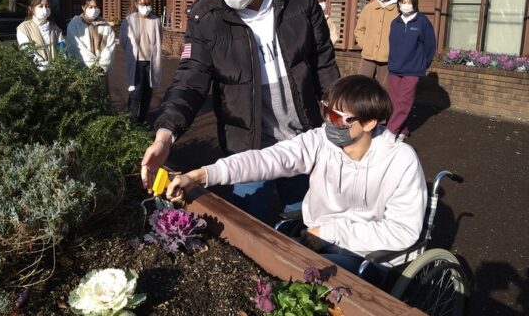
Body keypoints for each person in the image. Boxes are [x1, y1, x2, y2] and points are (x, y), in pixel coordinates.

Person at [141, 0, 340, 222]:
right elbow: (189, 78)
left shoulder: (300, 0)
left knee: (306, 219)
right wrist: (165, 135)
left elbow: (323, 61)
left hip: (303, 139)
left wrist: (341, 115)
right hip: (247, 144)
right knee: (248, 223)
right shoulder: (206, 17)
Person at [166, 75, 427, 282]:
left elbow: (403, 230)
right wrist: (203, 174)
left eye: (338, 118)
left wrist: (331, 232)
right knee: (265, 267)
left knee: (310, 281)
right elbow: (269, 159)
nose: (328, 122)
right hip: (315, 239)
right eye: (326, 111)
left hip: (368, 254)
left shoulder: (400, 160)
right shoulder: (320, 141)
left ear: (369, 122)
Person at [387, 0, 436, 142]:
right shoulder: (395, 22)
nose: (405, 5)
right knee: (394, 102)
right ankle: (403, 128)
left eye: (409, 2)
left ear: (415, 4)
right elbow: (392, 44)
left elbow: (430, 46)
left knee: (404, 102)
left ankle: (389, 133)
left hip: (413, 69)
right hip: (395, 68)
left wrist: (422, 63)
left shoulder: (422, 21)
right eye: (403, 2)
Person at [119, 0, 163, 125]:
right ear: (136, 5)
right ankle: (131, 122)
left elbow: (160, 38)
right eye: (143, 4)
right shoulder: (129, 20)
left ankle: (142, 120)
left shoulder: (156, 20)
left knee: (147, 93)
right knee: (136, 92)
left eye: (148, 4)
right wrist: (132, 53)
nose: (146, 7)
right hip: (137, 62)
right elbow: (123, 40)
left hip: (151, 61)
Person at [354, 0, 400, 88]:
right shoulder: (369, 8)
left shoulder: (398, 10)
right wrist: (365, 45)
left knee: (384, 90)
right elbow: (359, 30)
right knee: (361, 87)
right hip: (368, 56)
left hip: (388, 59)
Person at [67, 0, 116, 73]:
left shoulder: (105, 25)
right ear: (83, 7)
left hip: (101, 71)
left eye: (96, 7)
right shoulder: (75, 24)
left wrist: (102, 66)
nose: (94, 10)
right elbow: (77, 47)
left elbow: (110, 47)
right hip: (82, 71)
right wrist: (93, 65)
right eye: (90, 7)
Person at [16, 0, 64, 70]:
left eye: (47, 6)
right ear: (32, 9)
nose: (45, 9)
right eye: (41, 6)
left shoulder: (55, 27)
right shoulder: (24, 28)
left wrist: (62, 63)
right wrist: (45, 66)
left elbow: (61, 47)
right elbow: (28, 51)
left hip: (56, 72)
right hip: (36, 74)